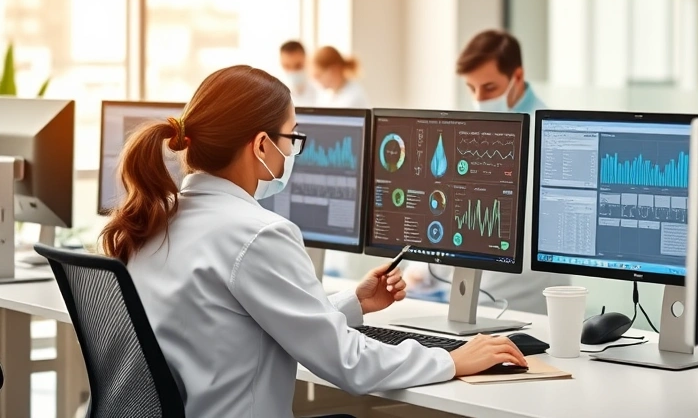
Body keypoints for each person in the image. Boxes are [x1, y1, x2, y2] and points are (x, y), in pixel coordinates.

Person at [99, 65, 526, 417]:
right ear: (262, 145)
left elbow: (247, 323)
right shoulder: (258, 233)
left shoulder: (156, 218)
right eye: (293, 138)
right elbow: (348, 364)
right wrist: (452, 359)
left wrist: (353, 302)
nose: (294, 152)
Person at [409, 30, 570, 314]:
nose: (480, 98)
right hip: (463, 293)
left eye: (490, 88)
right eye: (472, 89)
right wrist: (418, 267)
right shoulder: (478, 127)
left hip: (514, 304)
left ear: (517, 77)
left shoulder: (550, 137)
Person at [278, 40, 318, 106]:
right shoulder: (277, 96)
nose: (292, 72)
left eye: (298, 66)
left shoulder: (323, 93)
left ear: (306, 61)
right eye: (287, 66)